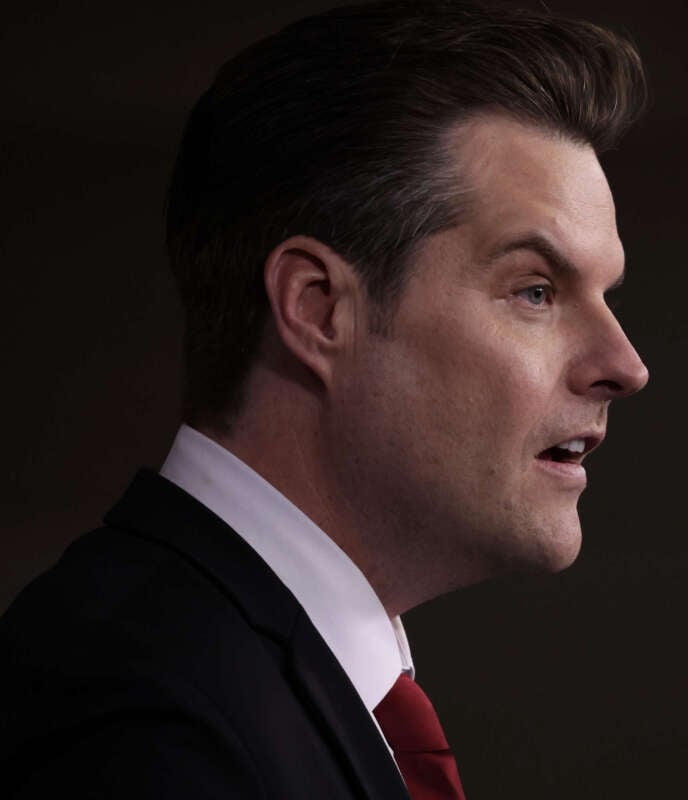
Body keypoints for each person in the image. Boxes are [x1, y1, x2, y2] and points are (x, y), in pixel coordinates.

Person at [0, 2, 649, 797]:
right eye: (537, 290)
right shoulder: (137, 720)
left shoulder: (241, 675)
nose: (624, 364)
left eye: (606, 294)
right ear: (318, 309)